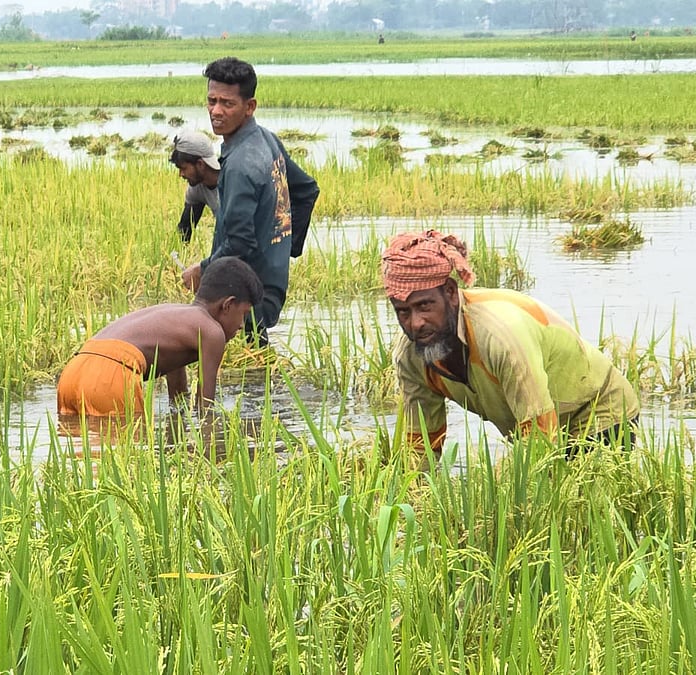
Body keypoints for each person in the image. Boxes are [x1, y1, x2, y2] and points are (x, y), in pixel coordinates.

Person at [382, 230, 640, 458]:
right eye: (403, 311)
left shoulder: (500, 337)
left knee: (575, 506)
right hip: (537, 426)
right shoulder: (411, 356)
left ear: (450, 292)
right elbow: (420, 445)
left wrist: (498, 492)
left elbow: (537, 438)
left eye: (424, 306)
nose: (415, 323)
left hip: (597, 413)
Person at [181, 57, 321, 347]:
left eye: (227, 104)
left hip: (242, 295)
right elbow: (306, 190)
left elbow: (239, 244)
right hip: (266, 282)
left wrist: (203, 270)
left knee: (242, 371)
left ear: (250, 106)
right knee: (256, 367)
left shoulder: (242, 164)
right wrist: (282, 251)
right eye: (211, 101)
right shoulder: (264, 139)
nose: (216, 111)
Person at [57, 256, 263, 419]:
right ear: (227, 305)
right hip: (110, 377)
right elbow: (205, 410)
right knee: (127, 460)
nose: (241, 325)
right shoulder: (212, 332)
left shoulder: (178, 321)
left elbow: (177, 402)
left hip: (75, 370)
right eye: (244, 314)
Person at [170, 130, 221, 243]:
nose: (180, 174)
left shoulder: (231, 183)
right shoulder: (197, 188)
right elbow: (185, 228)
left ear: (200, 164)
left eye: (183, 168)